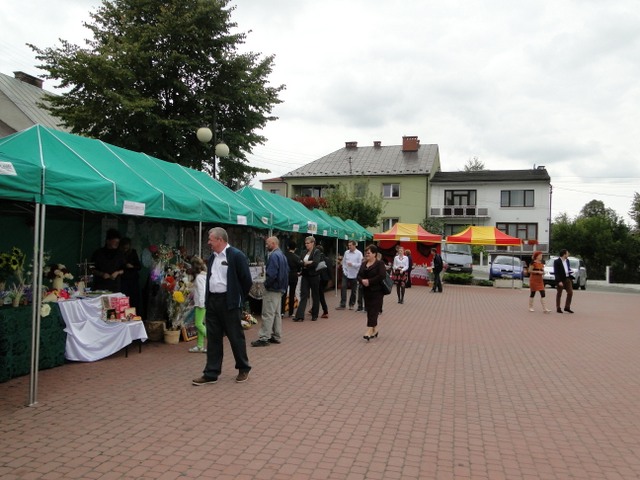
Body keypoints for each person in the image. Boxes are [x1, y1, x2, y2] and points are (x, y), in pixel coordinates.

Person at [192, 227, 253, 385]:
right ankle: (211, 373)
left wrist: (237, 297)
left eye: (211, 239)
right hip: (213, 301)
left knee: (235, 336)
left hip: (229, 301)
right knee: (213, 338)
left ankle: (243, 368)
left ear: (220, 240)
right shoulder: (212, 257)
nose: (208, 242)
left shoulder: (236, 255)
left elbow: (246, 280)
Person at [252, 236, 289, 346]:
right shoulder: (282, 255)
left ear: (273, 243)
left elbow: (271, 274)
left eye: (268, 243)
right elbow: (286, 271)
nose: (266, 245)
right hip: (279, 288)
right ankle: (276, 335)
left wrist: (266, 284)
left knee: (268, 313)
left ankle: (264, 337)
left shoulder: (274, 256)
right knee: (276, 313)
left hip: (273, 288)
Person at [357, 244, 386, 341]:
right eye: (366, 253)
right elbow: (358, 275)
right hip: (366, 291)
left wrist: (369, 281)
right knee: (369, 310)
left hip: (377, 291)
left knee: (374, 310)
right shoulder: (364, 264)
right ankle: (375, 329)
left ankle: (369, 330)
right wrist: (362, 281)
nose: (367, 254)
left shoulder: (379, 263)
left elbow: (381, 276)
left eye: (369, 253)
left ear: (374, 254)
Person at [293, 236, 322, 322]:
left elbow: (315, 263)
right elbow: (300, 262)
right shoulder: (303, 252)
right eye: (305, 243)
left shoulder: (316, 251)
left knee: (315, 295)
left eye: (308, 243)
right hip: (305, 275)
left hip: (314, 276)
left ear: (313, 243)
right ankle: (299, 315)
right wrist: (307, 263)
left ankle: (315, 314)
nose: (306, 245)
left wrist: (306, 263)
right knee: (303, 295)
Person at [91, 228, 126, 292]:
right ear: (108, 241)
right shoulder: (98, 253)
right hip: (100, 286)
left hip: (115, 286)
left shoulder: (120, 254)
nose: (117, 244)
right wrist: (101, 274)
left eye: (118, 242)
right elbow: (91, 269)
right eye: (114, 242)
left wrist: (117, 272)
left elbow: (124, 269)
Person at [188, 256, 208, 353]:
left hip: (201, 304)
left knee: (198, 324)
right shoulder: (203, 275)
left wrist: (201, 303)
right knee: (201, 324)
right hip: (202, 303)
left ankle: (213, 341)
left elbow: (201, 291)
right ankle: (200, 345)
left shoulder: (199, 277)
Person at [336, 240, 363, 310]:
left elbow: (360, 264)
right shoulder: (346, 252)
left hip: (355, 274)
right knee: (343, 287)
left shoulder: (359, 254)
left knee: (353, 290)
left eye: (350, 245)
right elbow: (344, 262)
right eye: (348, 245)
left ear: (354, 245)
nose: (349, 247)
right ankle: (342, 304)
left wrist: (353, 264)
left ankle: (351, 304)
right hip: (346, 273)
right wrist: (344, 270)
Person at [119, 237, 141, 310]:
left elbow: (139, 267)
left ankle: (134, 313)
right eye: (124, 248)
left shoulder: (133, 252)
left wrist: (132, 266)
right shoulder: (118, 253)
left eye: (127, 247)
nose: (125, 249)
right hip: (123, 280)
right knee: (123, 299)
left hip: (133, 279)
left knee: (134, 299)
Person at [281, 240, 301, 318]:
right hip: (293, 276)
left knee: (284, 294)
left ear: (287, 247)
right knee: (292, 294)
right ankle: (291, 312)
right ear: (295, 248)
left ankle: (282, 312)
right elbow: (299, 268)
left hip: (285, 276)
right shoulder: (297, 257)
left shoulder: (283, 256)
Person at [553, 249, 574, 314]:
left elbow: (567, 268)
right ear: (564, 254)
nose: (568, 254)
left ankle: (567, 307)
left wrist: (570, 271)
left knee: (570, 292)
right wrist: (559, 281)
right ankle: (558, 307)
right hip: (561, 279)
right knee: (559, 293)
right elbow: (556, 272)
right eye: (567, 253)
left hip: (567, 278)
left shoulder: (567, 261)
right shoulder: (557, 261)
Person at [315, 245, 331, 318]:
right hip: (325, 279)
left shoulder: (318, 258)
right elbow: (330, 269)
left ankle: (325, 311)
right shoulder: (327, 258)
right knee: (319, 294)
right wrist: (330, 278)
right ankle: (314, 308)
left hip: (319, 278)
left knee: (320, 295)